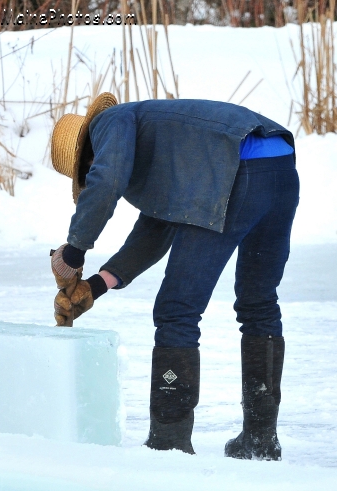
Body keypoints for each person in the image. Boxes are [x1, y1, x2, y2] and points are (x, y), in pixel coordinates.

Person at [49, 94, 299, 460]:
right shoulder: (165, 146)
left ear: (87, 154)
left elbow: (107, 182)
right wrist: (96, 286)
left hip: (236, 172)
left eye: (85, 172)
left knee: (176, 310)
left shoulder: (111, 123)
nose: (90, 176)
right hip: (280, 169)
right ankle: (260, 440)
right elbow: (156, 227)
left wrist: (71, 254)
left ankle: (169, 442)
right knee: (258, 301)